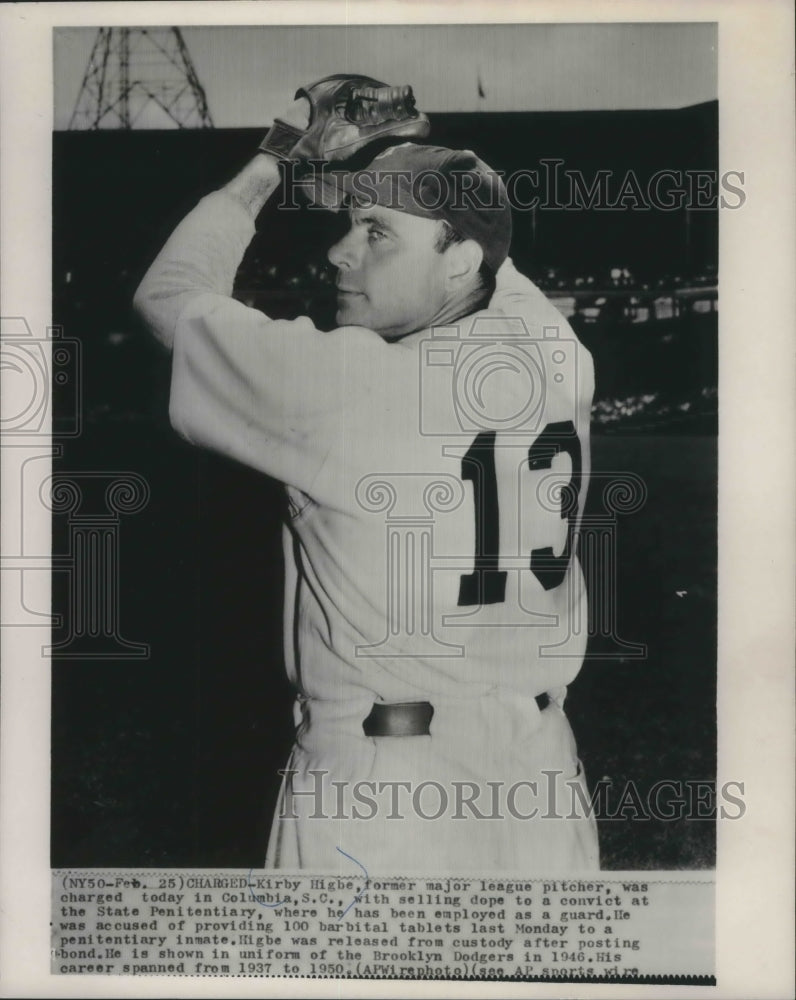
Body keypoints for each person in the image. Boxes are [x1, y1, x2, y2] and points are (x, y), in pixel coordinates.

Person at [134, 86, 599, 874]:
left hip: (385, 801)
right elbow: (491, 246)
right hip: (542, 788)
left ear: (457, 261)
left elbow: (168, 298)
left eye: (376, 232)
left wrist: (273, 160)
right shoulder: (555, 353)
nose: (339, 253)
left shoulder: (346, 385)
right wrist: (416, 165)